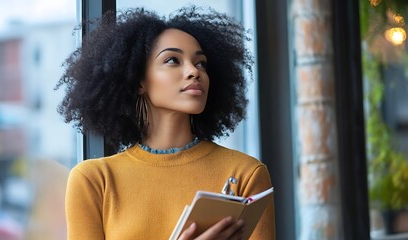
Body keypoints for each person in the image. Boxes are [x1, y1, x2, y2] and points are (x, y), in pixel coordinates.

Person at [57, 6, 275, 240]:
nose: (194, 71)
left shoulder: (246, 174)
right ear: (139, 81)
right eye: (173, 60)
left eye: (201, 63)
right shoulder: (93, 180)